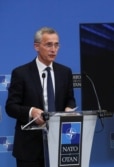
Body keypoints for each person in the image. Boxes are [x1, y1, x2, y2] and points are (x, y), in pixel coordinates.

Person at [5, 27, 76, 167]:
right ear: (36, 46)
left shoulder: (65, 72)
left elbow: (70, 98)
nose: (53, 49)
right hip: (29, 148)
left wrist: (69, 108)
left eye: (56, 45)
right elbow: (11, 107)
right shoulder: (21, 73)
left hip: (60, 144)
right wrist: (31, 112)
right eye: (48, 44)